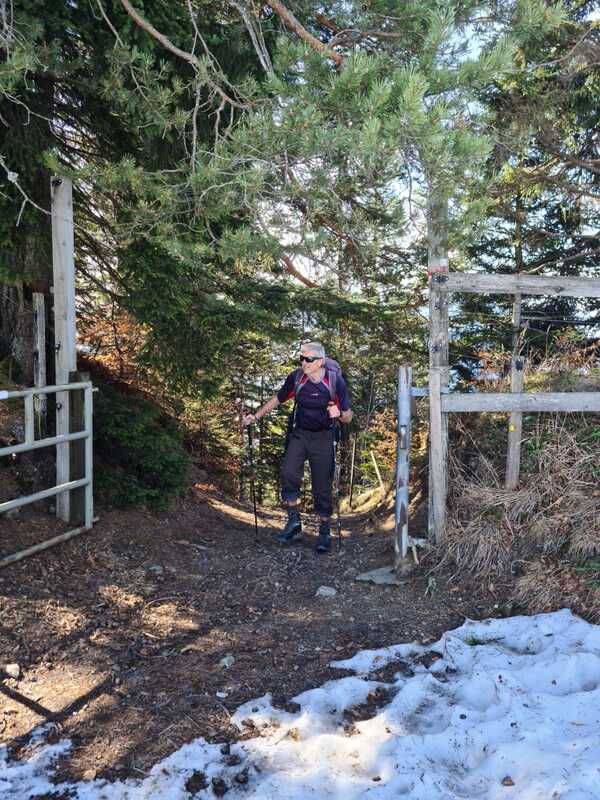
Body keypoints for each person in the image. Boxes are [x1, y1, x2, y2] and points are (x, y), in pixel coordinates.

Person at [243, 342, 352, 553]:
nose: (304, 362)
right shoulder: (297, 378)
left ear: (320, 361)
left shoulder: (334, 381)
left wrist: (339, 414)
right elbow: (278, 399)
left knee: (322, 483)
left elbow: (348, 416)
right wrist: (255, 416)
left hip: (323, 436)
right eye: (301, 358)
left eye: (308, 359)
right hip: (299, 433)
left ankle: (324, 531)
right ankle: (294, 522)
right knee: (288, 473)